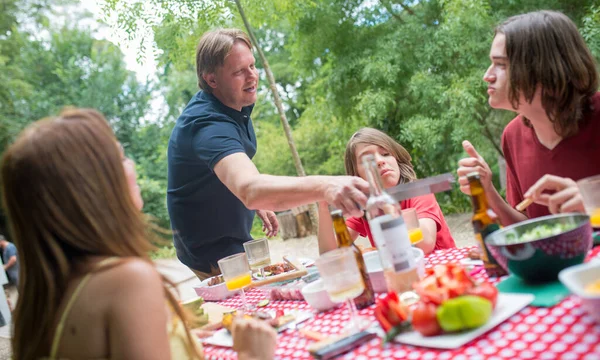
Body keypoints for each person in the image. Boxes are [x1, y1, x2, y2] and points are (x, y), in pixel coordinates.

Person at [1, 108, 276, 360]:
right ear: (94, 188)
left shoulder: (45, 297)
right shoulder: (127, 280)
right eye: (120, 156)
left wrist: (181, 340)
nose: (131, 164)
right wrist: (253, 355)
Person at [167, 29, 370, 280]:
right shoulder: (207, 124)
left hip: (231, 235)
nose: (252, 75)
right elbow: (251, 189)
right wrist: (327, 185)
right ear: (212, 80)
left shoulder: (235, 103)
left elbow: (233, 164)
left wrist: (252, 195)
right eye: (239, 71)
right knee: (254, 306)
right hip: (210, 245)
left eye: (252, 66)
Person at [457, 10, 600, 225]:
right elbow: (525, 225)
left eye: (501, 65)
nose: (487, 76)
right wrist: (488, 190)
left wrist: (593, 203)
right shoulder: (512, 136)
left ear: (543, 68)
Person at [318, 128, 456, 255]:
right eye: (368, 160)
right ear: (356, 175)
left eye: (385, 154)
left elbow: (424, 245)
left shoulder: (418, 191)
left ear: (396, 158)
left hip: (442, 273)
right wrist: (324, 207)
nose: (379, 161)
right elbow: (331, 255)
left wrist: (384, 203)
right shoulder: (365, 206)